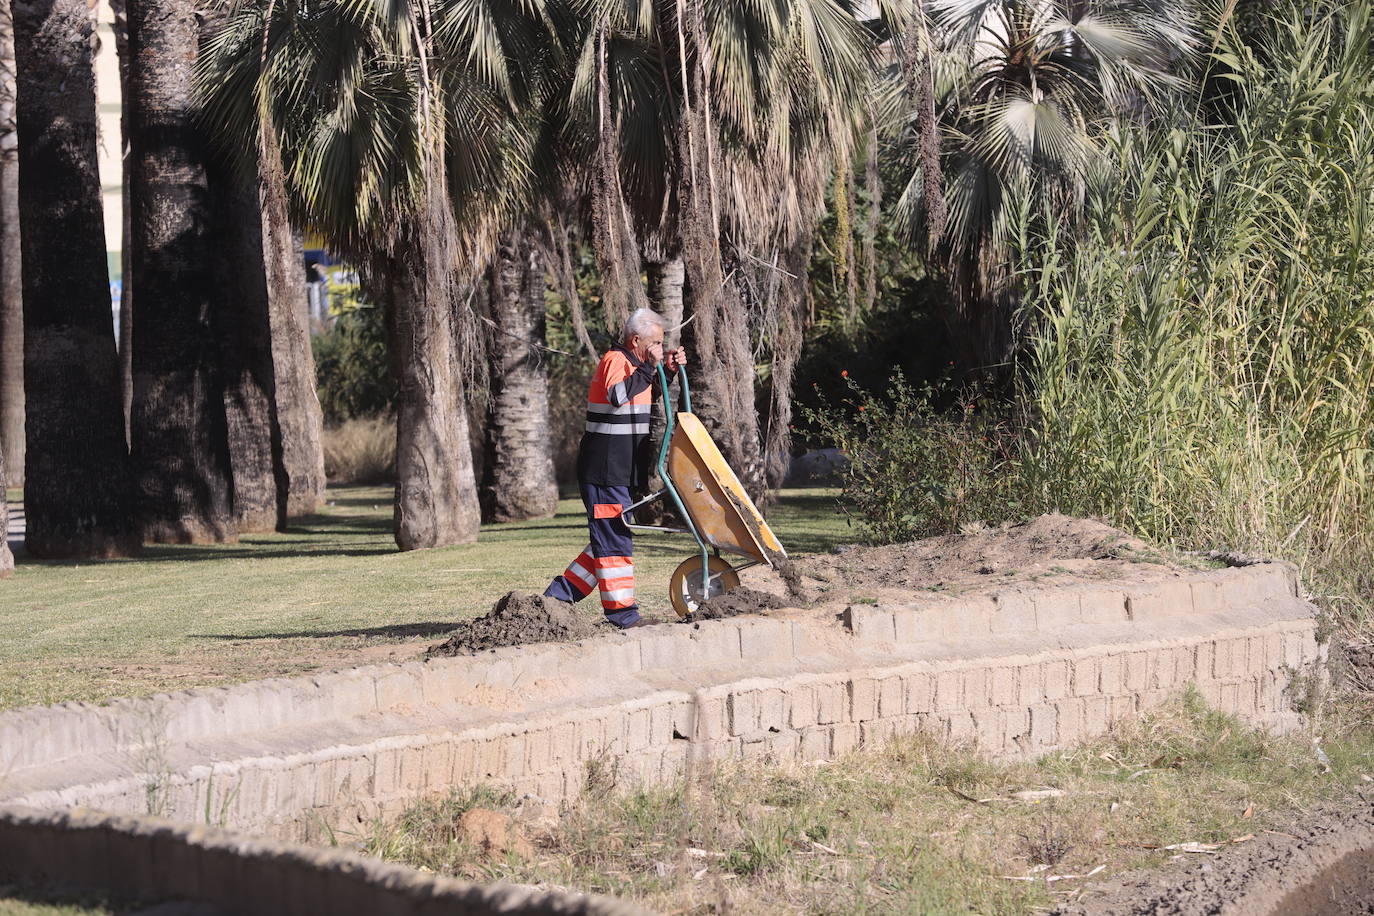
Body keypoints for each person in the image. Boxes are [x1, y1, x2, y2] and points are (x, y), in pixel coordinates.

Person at [543, 308, 688, 627]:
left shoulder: (637, 366)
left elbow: (646, 395)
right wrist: (650, 368)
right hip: (604, 471)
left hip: (620, 472)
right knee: (614, 542)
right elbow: (618, 395)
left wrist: (667, 371)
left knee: (608, 540)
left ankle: (556, 599)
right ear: (636, 340)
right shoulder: (614, 360)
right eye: (656, 343)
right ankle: (623, 615)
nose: (660, 347)